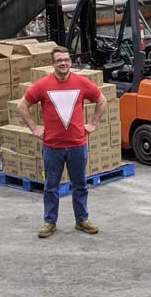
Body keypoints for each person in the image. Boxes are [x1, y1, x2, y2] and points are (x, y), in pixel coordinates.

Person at [18, 46, 107, 239]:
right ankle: (50, 222)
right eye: (59, 60)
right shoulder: (43, 85)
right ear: (53, 64)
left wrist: (93, 124)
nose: (63, 63)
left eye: (66, 59)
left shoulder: (82, 83)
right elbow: (22, 105)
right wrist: (34, 128)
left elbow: (102, 100)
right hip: (52, 146)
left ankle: (81, 220)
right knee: (51, 186)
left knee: (80, 185)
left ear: (71, 62)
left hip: (77, 145)